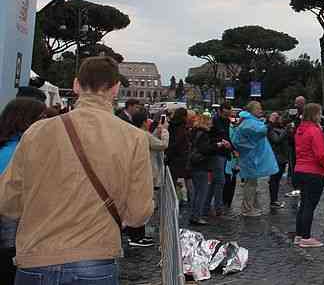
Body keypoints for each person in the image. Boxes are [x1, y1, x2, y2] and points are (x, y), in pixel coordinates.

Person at [0, 56, 153, 284]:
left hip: (35, 257)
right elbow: (138, 215)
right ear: (116, 89)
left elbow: (7, 202)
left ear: (75, 85)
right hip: (95, 259)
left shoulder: (36, 131)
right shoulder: (134, 138)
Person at [0, 97, 46, 283]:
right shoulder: (18, 151)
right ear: (26, 120)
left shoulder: (11, 146)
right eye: (42, 117)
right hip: (11, 235)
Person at [128, 109, 169, 246]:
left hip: (137, 172)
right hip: (147, 172)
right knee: (143, 205)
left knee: (137, 203)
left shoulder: (134, 133)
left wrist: (157, 132)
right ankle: (136, 237)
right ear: (144, 122)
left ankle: (136, 235)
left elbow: (152, 140)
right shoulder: (143, 134)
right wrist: (164, 131)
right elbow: (162, 145)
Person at [293, 102, 324, 248]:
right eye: (320, 113)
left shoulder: (300, 129)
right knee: (309, 205)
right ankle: (306, 237)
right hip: (313, 171)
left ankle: (299, 235)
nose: (321, 116)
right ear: (315, 114)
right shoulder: (314, 130)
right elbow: (321, 153)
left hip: (300, 169)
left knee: (303, 204)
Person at [235, 101, 279, 218]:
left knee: (252, 184)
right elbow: (261, 131)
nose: (261, 110)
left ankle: (249, 207)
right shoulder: (249, 122)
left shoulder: (249, 121)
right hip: (250, 157)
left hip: (250, 157)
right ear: (252, 110)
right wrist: (270, 122)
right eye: (258, 108)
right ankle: (247, 209)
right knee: (250, 185)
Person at [205, 103, 233, 217]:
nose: (227, 116)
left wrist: (231, 147)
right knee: (220, 181)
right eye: (226, 114)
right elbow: (211, 138)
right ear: (220, 111)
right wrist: (221, 142)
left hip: (223, 152)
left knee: (215, 181)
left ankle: (207, 206)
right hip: (217, 153)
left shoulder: (225, 121)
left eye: (228, 114)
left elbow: (227, 136)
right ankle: (218, 208)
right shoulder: (215, 121)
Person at [189, 112, 216, 226]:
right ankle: (197, 216)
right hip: (201, 165)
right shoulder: (204, 134)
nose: (211, 124)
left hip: (194, 164)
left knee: (197, 192)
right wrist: (216, 145)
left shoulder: (194, 131)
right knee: (202, 192)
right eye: (210, 121)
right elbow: (205, 149)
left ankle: (194, 214)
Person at [166, 107, 192, 201]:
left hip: (174, 158)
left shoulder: (171, 125)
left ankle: (175, 199)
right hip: (179, 158)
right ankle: (177, 200)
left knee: (173, 181)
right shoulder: (181, 127)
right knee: (177, 181)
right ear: (184, 116)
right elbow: (177, 142)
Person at [268, 112, 290, 208]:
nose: (281, 119)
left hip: (282, 157)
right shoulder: (270, 129)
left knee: (276, 179)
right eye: (278, 118)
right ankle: (273, 201)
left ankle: (274, 200)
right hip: (276, 157)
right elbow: (276, 140)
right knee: (274, 179)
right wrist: (286, 131)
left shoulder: (280, 128)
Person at [285, 96, 305, 198]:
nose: (296, 105)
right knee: (294, 166)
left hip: (299, 144)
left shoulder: (304, 115)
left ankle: (299, 186)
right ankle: (297, 187)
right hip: (293, 144)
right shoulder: (294, 113)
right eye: (295, 103)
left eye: (298, 103)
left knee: (298, 166)